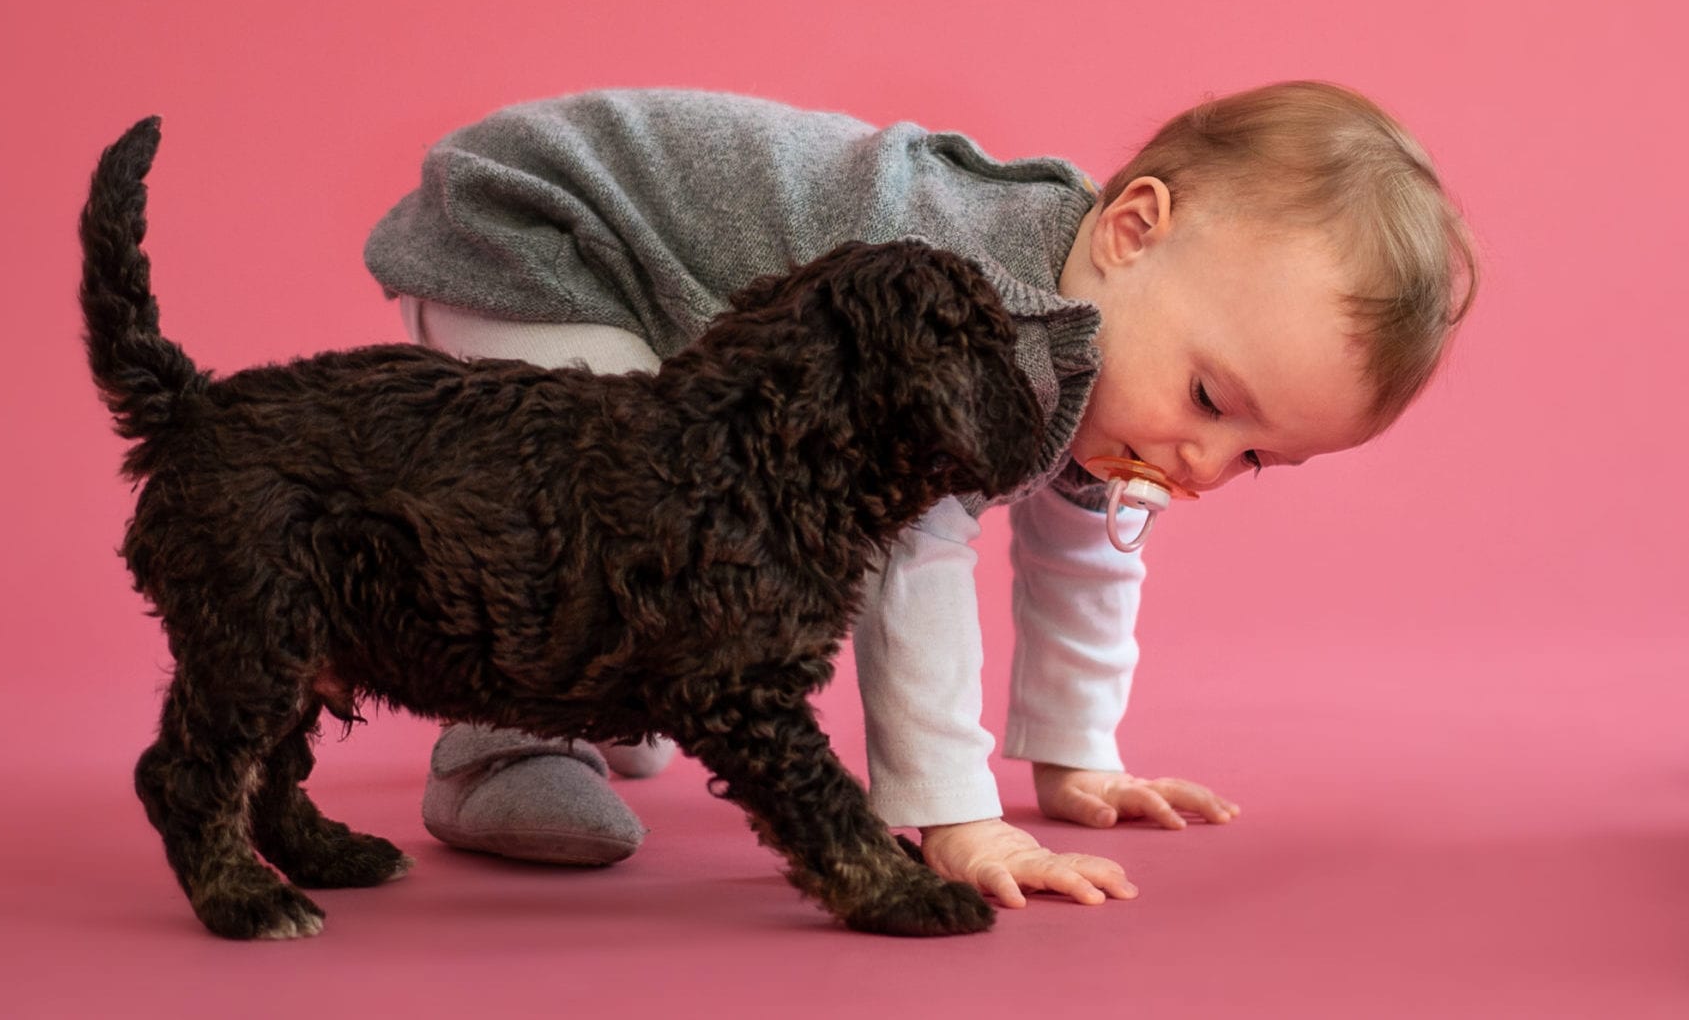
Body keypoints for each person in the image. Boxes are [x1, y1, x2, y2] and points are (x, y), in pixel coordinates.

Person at [363, 81, 1476, 907]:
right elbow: (909, 562)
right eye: (1206, 397)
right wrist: (955, 814)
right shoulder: (974, 318)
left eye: (1252, 458)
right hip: (548, 227)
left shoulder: (1112, 350)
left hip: (677, 296)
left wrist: (1077, 753)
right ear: (1132, 229)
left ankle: (607, 692)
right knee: (606, 494)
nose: (1196, 461)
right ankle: (503, 741)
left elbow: (1088, 549)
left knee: (677, 520)